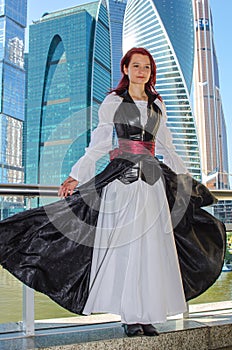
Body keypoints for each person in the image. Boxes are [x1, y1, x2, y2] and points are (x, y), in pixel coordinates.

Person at [0, 47, 226, 338]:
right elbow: (99, 144)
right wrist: (75, 175)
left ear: (150, 72)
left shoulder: (158, 104)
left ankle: (145, 316)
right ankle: (130, 316)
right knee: (126, 249)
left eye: (146, 67)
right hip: (122, 181)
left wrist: (185, 180)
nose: (141, 71)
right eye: (136, 66)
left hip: (154, 185)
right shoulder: (113, 101)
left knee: (151, 249)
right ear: (126, 69)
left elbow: (167, 146)